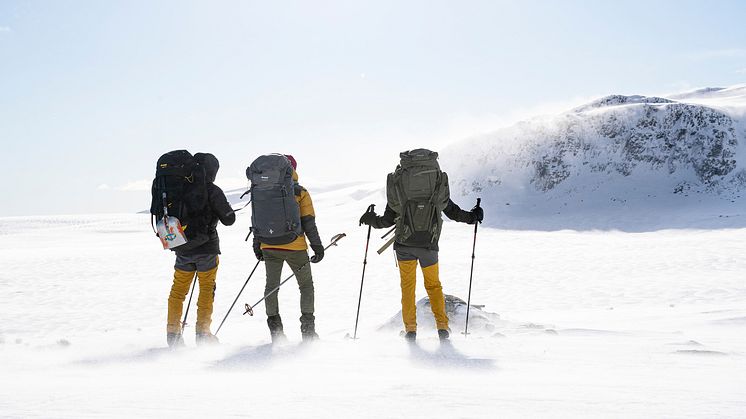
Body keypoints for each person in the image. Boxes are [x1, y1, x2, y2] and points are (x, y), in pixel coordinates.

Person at [359, 149, 483, 342]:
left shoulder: (399, 185)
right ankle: (442, 326)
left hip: (404, 245)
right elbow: (452, 211)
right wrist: (472, 217)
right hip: (429, 245)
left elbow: (386, 221)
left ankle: (410, 330)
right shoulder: (436, 184)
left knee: (408, 288)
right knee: (434, 286)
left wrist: (370, 219)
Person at [252, 155, 325, 342]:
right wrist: (317, 247)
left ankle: (276, 332)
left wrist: (258, 244)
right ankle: (308, 331)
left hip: (269, 245)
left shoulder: (261, 189)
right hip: (295, 247)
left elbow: (256, 219)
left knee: (271, 287)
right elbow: (308, 222)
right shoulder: (300, 192)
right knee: (306, 286)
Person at [166, 153, 236, 347]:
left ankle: (173, 334)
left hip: (182, 249)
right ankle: (203, 334)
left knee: (178, 291)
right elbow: (228, 220)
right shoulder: (212, 190)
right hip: (207, 249)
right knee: (206, 289)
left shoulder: (179, 188)